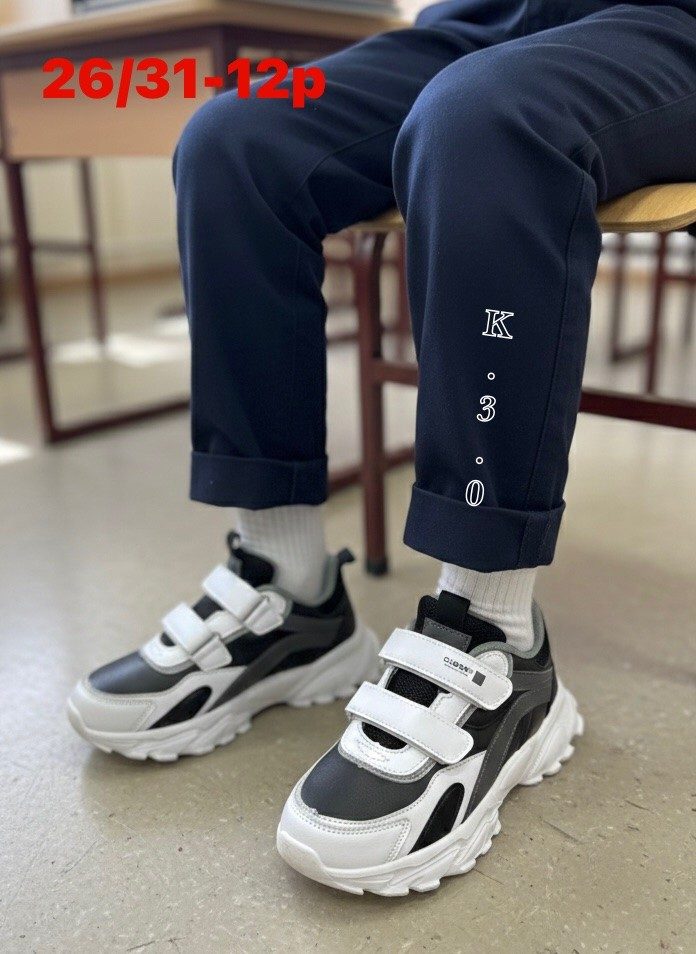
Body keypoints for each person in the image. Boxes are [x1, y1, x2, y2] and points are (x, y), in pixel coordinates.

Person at [67, 0, 696, 895]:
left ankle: (496, 638)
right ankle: (291, 593)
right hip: (495, 17)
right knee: (232, 138)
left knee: (487, 120)